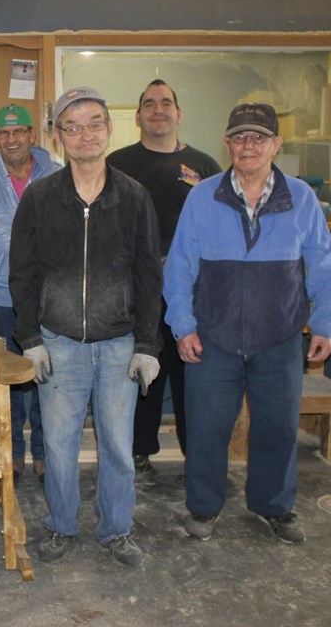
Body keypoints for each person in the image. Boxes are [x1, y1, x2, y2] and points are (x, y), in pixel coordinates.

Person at [163, 103, 331, 544]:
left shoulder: (301, 198)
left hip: (278, 337)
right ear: (227, 144)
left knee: (278, 428)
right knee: (206, 430)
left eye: (259, 137)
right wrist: (183, 324)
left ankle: (274, 507)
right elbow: (180, 265)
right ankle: (203, 508)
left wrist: (324, 323)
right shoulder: (202, 196)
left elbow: (322, 263)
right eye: (240, 137)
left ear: (276, 144)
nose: (248, 146)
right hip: (213, 338)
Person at [9, 87, 163, 567]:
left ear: (110, 129)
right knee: (57, 444)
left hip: (119, 345)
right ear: (58, 137)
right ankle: (61, 526)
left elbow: (148, 275)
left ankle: (117, 530)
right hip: (59, 344)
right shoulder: (39, 199)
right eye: (72, 127)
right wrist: (31, 340)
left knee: (118, 444)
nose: (85, 135)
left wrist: (147, 344)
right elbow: (23, 273)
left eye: (94, 123)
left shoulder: (134, 197)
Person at [106, 79, 221, 474]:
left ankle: (196, 453)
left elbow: (220, 228)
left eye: (166, 103)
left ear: (178, 113)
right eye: (150, 104)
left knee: (193, 375)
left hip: (193, 291)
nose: (158, 110)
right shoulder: (116, 164)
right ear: (137, 116)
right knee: (142, 370)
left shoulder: (205, 168)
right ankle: (139, 450)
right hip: (136, 289)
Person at [0, 103, 61, 484]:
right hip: (1, 293)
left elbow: (61, 230)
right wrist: (31, 233)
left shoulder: (56, 173)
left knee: (46, 379)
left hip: (48, 296)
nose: (11, 139)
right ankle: (14, 453)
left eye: (18, 131)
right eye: (3, 133)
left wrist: (8, 226)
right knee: (9, 380)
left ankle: (43, 452)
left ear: (31, 134)